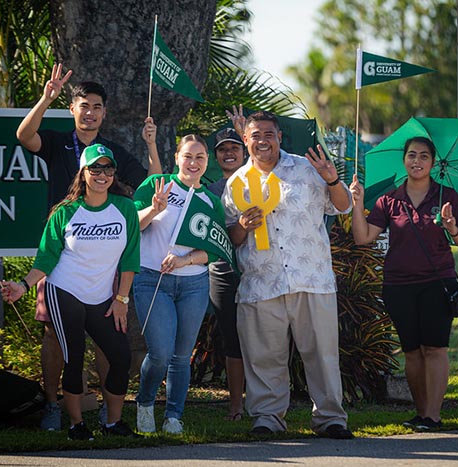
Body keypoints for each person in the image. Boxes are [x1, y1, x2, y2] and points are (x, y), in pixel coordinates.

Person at [16, 63, 162, 431]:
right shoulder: (55, 142)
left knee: (106, 336)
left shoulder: (111, 151)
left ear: (104, 112)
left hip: (103, 264)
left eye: (97, 106)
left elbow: (152, 186)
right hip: (61, 261)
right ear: (73, 108)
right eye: (84, 105)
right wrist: (45, 98)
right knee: (55, 335)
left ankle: (104, 411)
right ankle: (53, 406)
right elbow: (24, 136)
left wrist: (151, 144)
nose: (90, 112)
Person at [221, 110, 355, 439]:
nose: (262, 140)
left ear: (280, 137)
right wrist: (241, 227)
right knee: (264, 356)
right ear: (245, 139)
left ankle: (330, 418)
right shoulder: (236, 183)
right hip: (261, 281)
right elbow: (231, 238)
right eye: (255, 135)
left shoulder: (309, 168)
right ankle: (267, 417)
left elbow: (343, 206)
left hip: (311, 277)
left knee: (322, 354)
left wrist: (332, 180)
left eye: (269, 134)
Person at [1, 144, 140, 440]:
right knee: (74, 358)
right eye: (95, 168)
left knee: (120, 356)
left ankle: (113, 424)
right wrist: (23, 286)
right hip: (64, 290)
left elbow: (130, 259)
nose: (102, 174)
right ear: (83, 172)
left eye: (108, 168)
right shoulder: (64, 212)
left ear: (114, 173)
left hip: (103, 296)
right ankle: (77, 425)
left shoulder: (125, 208)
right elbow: (46, 258)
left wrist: (122, 299)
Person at [349, 136, 458, 431]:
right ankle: (421, 414)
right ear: (404, 160)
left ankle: (433, 415)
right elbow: (363, 237)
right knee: (412, 351)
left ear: (433, 162)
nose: (417, 161)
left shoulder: (448, 197)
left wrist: (452, 226)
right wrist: (356, 203)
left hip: (437, 282)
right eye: (412, 156)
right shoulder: (389, 200)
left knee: (435, 348)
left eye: (424, 156)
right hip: (398, 285)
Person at [133, 135, 225, 435]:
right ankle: (145, 403)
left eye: (200, 157)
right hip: (151, 279)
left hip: (193, 285)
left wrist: (186, 261)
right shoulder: (157, 185)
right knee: (159, 353)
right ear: (176, 158)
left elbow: (216, 249)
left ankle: (174, 415)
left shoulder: (210, 200)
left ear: (206, 161)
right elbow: (133, 225)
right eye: (188, 156)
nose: (193, 162)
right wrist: (154, 209)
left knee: (181, 356)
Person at [207, 127, 246, 421]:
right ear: (215, 156)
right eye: (222, 149)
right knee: (232, 340)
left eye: (234, 147)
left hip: (258, 271)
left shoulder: (259, 182)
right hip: (222, 273)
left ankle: (265, 403)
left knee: (264, 340)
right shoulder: (209, 193)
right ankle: (236, 406)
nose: (229, 153)